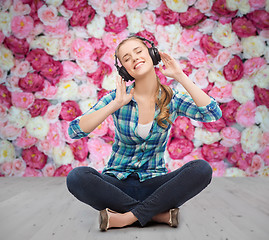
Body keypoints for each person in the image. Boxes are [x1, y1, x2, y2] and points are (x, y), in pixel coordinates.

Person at [66, 35, 222, 231]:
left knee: (202, 169)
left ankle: (125, 218)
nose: (134, 58)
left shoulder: (172, 98)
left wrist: (180, 76)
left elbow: (212, 113)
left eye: (138, 52)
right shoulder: (118, 98)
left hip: (155, 184)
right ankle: (155, 214)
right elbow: (74, 130)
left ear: (152, 54)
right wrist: (115, 105)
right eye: (127, 58)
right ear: (124, 69)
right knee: (76, 177)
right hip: (116, 184)